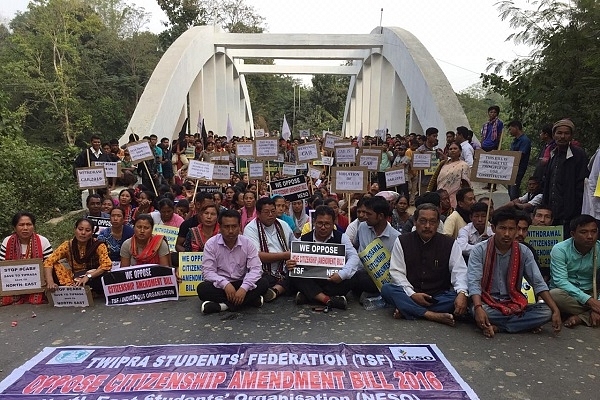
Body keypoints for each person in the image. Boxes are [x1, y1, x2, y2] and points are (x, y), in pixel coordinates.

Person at [467, 209, 562, 338]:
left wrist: (555, 310)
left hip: (514, 302)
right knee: (477, 310)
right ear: (494, 228)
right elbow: (474, 282)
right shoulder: (479, 250)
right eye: (502, 228)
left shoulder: (524, 251)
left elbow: (538, 282)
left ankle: (499, 327)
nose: (507, 234)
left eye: (511, 229)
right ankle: (521, 324)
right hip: (488, 302)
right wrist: (478, 307)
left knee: (546, 312)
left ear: (516, 230)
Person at [381, 203, 469, 326]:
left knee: (457, 298)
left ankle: (408, 310)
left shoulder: (449, 244)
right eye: (423, 221)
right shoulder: (402, 241)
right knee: (387, 289)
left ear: (438, 223)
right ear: (415, 222)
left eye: (432, 222)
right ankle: (431, 315)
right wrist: (412, 294)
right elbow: (397, 272)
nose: (427, 226)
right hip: (411, 293)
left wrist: (462, 293)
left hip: (438, 296)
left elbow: (459, 271)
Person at [197, 209, 268, 314]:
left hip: (242, 283)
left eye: (234, 226)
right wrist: (225, 284)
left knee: (264, 283)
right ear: (220, 227)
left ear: (239, 227)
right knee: (202, 289)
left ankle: (223, 306)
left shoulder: (247, 243)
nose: (230, 231)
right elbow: (208, 272)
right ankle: (249, 301)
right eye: (226, 227)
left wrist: (244, 288)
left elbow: (256, 269)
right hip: (221, 286)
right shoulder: (211, 244)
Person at [290, 206, 360, 310]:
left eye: (327, 224)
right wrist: (291, 264)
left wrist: (342, 274)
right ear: (314, 222)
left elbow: (354, 257)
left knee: (356, 276)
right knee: (293, 273)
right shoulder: (304, 239)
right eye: (319, 223)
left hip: (333, 280)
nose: (323, 227)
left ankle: (310, 296)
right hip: (312, 279)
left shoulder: (341, 237)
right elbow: (295, 259)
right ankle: (328, 300)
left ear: (333, 224)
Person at [549, 215, 600, 328]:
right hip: (569, 295)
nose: (590, 236)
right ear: (573, 234)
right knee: (554, 295)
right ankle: (588, 315)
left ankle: (582, 317)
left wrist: (598, 303)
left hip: (592, 292)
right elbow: (561, 282)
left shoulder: (599, 248)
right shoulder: (560, 249)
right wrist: (590, 302)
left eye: (594, 231)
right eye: (584, 232)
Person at [541, 119, 589, 238]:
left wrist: (573, 213)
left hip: (569, 215)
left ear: (571, 136)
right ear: (553, 135)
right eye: (559, 133)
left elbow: (581, 186)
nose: (562, 136)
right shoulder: (553, 154)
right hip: (551, 213)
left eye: (566, 133)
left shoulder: (578, 155)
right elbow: (548, 182)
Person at [244, 197, 294, 302]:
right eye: (266, 212)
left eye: (273, 211)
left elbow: (295, 246)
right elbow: (257, 256)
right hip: (263, 272)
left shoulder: (283, 225)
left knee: (298, 275)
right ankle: (281, 288)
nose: (271, 215)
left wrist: (291, 259)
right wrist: (285, 255)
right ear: (258, 213)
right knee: (260, 282)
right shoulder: (250, 228)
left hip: (284, 270)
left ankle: (276, 290)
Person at [44, 218, 112, 296]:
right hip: (73, 278)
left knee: (105, 276)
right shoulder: (67, 245)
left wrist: (88, 276)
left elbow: (106, 264)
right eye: (80, 229)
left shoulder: (99, 245)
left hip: (93, 277)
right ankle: (69, 288)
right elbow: (49, 261)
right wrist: (50, 281)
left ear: (92, 232)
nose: (83, 233)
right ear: (75, 229)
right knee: (53, 265)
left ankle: (92, 292)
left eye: (87, 230)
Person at [0, 212, 53, 305]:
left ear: (33, 226)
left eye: (28, 224)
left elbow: (50, 264)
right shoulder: (7, 241)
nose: (25, 228)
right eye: (21, 225)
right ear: (14, 227)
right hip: (13, 284)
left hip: (39, 284)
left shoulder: (43, 241)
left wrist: (48, 281)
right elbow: (2, 267)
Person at [354, 196, 401, 298]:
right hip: (359, 272)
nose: (365, 216)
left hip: (380, 280)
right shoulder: (362, 227)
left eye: (369, 214)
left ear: (380, 216)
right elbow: (356, 245)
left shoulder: (396, 237)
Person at [428, 142, 470, 208]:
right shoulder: (443, 163)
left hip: (454, 197)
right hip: (440, 196)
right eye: (450, 149)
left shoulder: (463, 165)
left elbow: (465, 184)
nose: (452, 150)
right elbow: (434, 178)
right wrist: (428, 191)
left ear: (460, 151)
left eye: (455, 148)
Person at [507, 120, 532, 200]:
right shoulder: (515, 141)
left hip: (518, 169)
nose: (509, 131)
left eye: (510, 129)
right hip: (511, 169)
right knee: (510, 191)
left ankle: (515, 207)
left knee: (514, 190)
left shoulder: (525, 141)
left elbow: (520, 155)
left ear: (516, 128)